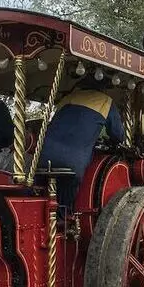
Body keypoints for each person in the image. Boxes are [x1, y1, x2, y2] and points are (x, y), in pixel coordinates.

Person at [38, 76, 125, 213]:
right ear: (103, 88)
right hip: (72, 161)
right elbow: (118, 135)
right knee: (70, 199)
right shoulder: (106, 102)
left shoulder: (68, 99)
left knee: (45, 193)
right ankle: (67, 221)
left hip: (43, 156)